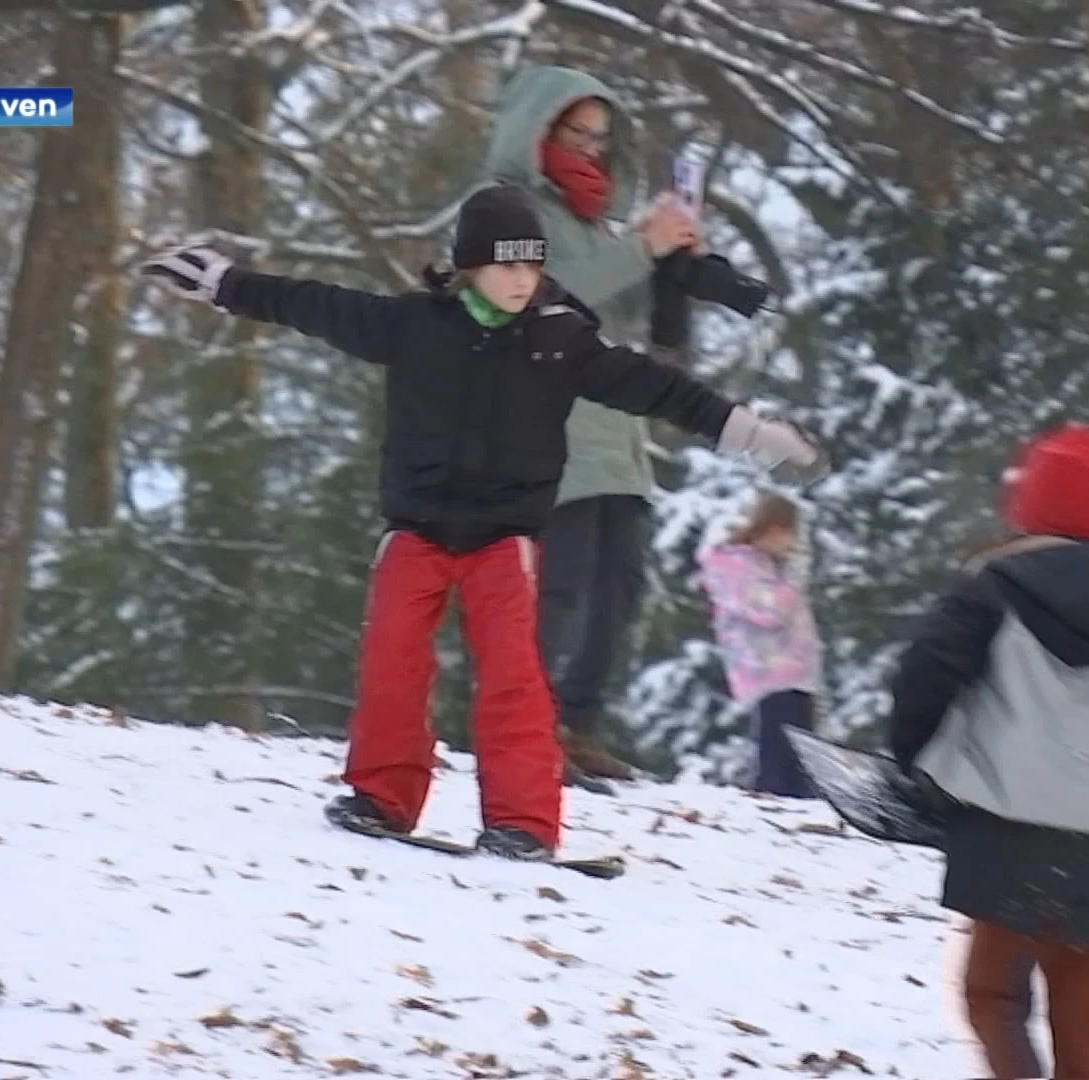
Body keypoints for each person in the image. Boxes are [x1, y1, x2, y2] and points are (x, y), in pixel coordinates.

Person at [138, 185, 822, 860]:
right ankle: (381, 796)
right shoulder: (412, 326)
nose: (523, 279)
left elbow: (660, 390)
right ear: (470, 265)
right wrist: (225, 283)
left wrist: (752, 434)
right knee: (392, 661)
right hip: (417, 530)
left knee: (513, 677)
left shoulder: (562, 341)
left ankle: (523, 821)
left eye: (532, 264)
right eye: (507, 264)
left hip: (503, 537)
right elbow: (313, 304)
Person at [885, 422, 1089, 1079]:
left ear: (1029, 502)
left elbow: (927, 670)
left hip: (1011, 829)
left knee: (994, 999)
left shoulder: (992, 584)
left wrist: (916, 766)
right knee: (1085, 1022)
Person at [475, 65, 704, 791]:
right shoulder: (503, 207)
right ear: (538, 128)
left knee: (622, 585)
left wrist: (675, 264)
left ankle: (578, 725)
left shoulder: (594, 219)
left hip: (614, 431)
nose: (592, 150)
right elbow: (551, 295)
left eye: (600, 139)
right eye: (579, 133)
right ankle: (528, 726)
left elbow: (641, 322)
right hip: (547, 429)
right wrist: (641, 247)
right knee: (561, 584)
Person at [697, 491, 822, 797]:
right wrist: (792, 583)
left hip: (793, 667)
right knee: (777, 737)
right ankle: (771, 791)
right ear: (768, 528)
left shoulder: (773, 566)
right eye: (785, 533)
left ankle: (797, 793)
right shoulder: (737, 566)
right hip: (766, 665)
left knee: (801, 739)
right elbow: (770, 611)